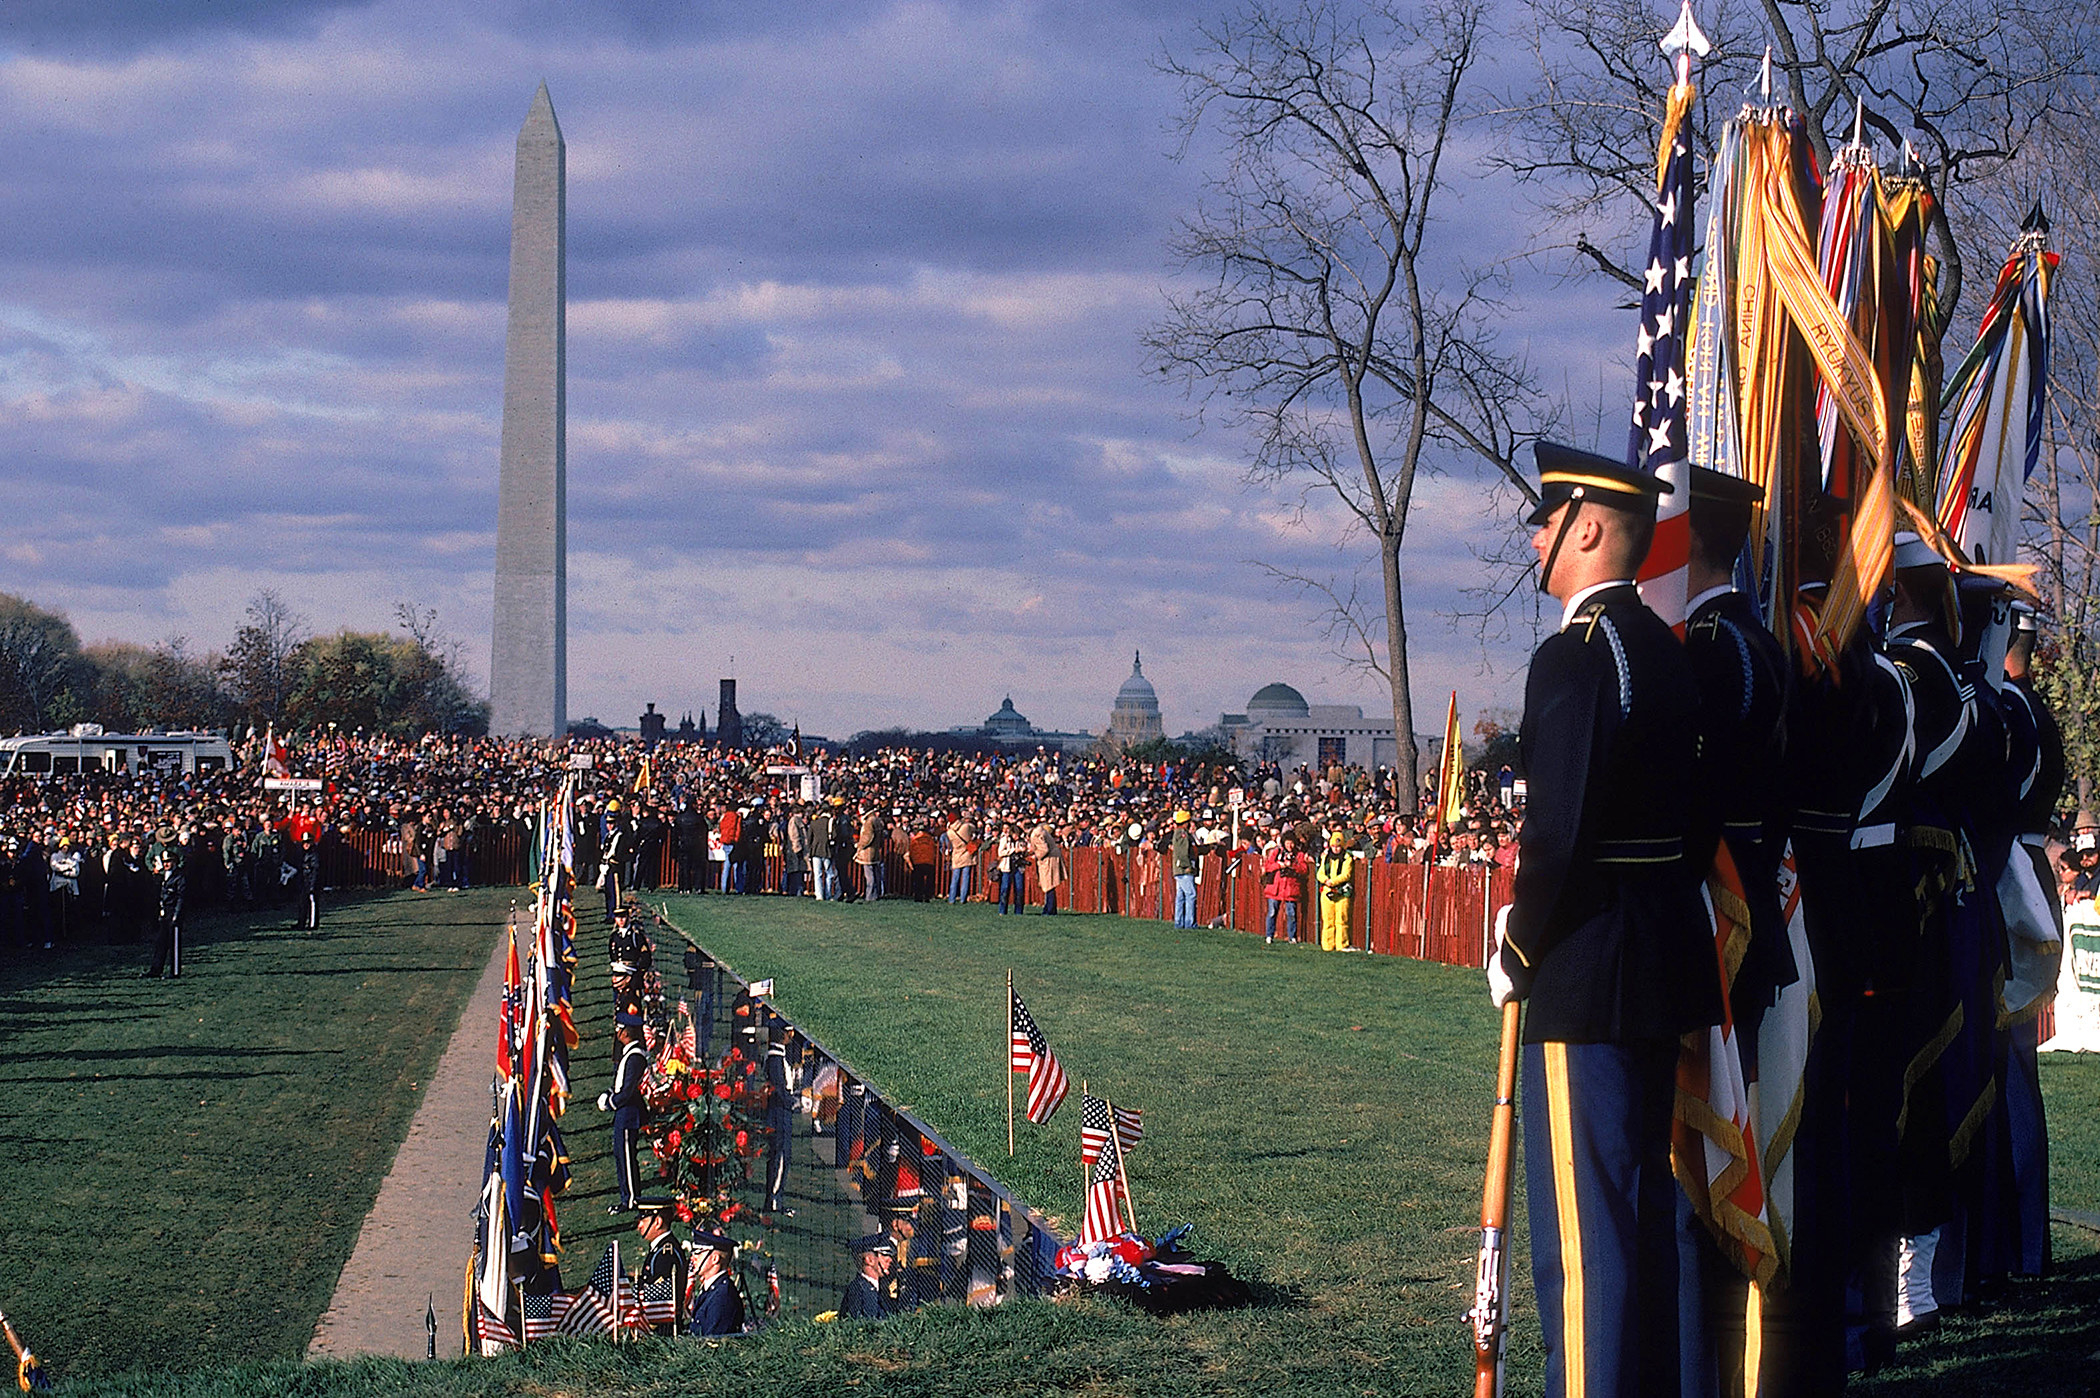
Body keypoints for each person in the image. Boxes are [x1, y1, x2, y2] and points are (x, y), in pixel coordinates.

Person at [1489, 443, 1720, 1398]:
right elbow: (1701, 825)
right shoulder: (1669, 654)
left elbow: (1561, 829)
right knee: (1639, 1214)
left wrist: (1517, 941)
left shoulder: (1577, 654)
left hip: (1585, 976)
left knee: (1584, 1245)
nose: (1539, 539)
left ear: (1587, 527)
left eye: (1547, 521)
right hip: (1660, 963)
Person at [599, 1016, 651, 1212]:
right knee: (620, 1154)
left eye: (620, 1029)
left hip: (629, 1113)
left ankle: (631, 1199)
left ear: (626, 1032)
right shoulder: (629, 1054)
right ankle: (626, 1197)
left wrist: (611, 1102)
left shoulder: (635, 1056)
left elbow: (628, 1090)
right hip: (624, 1112)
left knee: (627, 1156)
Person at [635, 1207, 688, 1337]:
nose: (639, 1226)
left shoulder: (664, 1254)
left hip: (663, 1330)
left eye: (643, 1220)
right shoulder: (660, 1249)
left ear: (657, 1222)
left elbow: (660, 1300)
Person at [687, 1229, 744, 1336]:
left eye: (698, 1252)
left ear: (715, 1259)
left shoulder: (723, 1296)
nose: (693, 1258)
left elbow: (713, 1343)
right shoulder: (712, 1290)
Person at [145, 828, 185, 979]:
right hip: (164, 912)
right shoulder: (164, 877)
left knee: (174, 943)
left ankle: (174, 971)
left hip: (173, 912)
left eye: (169, 862)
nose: (166, 864)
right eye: (165, 862)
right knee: (160, 942)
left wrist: (177, 915)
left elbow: (181, 897)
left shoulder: (178, 877)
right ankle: (156, 969)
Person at [1314, 828, 1354, 952]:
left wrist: (1334, 881)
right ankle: (1327, 945)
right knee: (1327, 919)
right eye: (1333, 846)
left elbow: (1346, 874)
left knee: (1341, 919)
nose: (1335, 849)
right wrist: (1326, 880)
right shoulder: (1326, 857)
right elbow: (1319, 873)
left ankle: (1342, 944)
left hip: (1342, 891)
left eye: (1338, 846)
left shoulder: (1347, 857)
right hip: (1327, 891)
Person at [1262, 833, 1306, 944]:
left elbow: (1304, 870)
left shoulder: (1299, 855)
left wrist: (1292, 866)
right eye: (1287, 843)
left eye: (1291, 843)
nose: (1289, 845)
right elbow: (1268, 867)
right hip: (1275, 888)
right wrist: (1279, 865)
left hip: (1291, 889)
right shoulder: (1277, 852)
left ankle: (1292, 937)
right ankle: (1269, 935)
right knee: (1272, 912)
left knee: (1291, 913)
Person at [840, 1235, 896, 1320]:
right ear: (869, 1260)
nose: (890, 1260)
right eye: (885, 1255)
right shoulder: (858, 1291)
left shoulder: (875, 1289)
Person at [1169, 809, 1198, 928]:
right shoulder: (1183, 834)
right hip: (1183, 868)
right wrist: (1188, 866)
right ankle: (1189, 923)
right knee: (1191, 895)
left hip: (1178, 869)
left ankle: (1179, 922)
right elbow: (1182, 853)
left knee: (1180, 897)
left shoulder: (1176, 833)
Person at [1029, 819, 1064, 915]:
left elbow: (1044, 849)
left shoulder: (1035, 835)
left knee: (1048, 886)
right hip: (1053, 858)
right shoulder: (1042, 831)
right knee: (1050, 885)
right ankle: (1051, 909)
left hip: (1048, 861)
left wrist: (1036, 854)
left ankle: (1049, 910)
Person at [855, 803, 887, 903]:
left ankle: (870, 896)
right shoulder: (877, 821)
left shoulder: (869, 822)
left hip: (868, 852)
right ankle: (876, 894)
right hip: (875, 851)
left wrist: (859, 845)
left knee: (869, 875)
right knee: (875, 874)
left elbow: (867, 837)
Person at [946, 811, 978, 904]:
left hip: (956, 855)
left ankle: (952, 899)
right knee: (965, 878)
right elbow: (974, 828)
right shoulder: (966, 826)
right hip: (966, 854)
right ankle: (963, 899)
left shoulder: (949, 832)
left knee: (955, 878)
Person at [997, 822, 1027, 915]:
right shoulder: (1005, 840)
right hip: (1007, 867)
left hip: (1018, 867)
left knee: (1019, 889)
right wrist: (1013, 850)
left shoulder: (1021, 841)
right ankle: (1002, 910)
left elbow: (1024, 852)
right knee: (1005, 888)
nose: (1017, 837)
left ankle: (1018, 911)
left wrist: (1024, 851)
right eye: (1015, 834)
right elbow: (1000, 852)